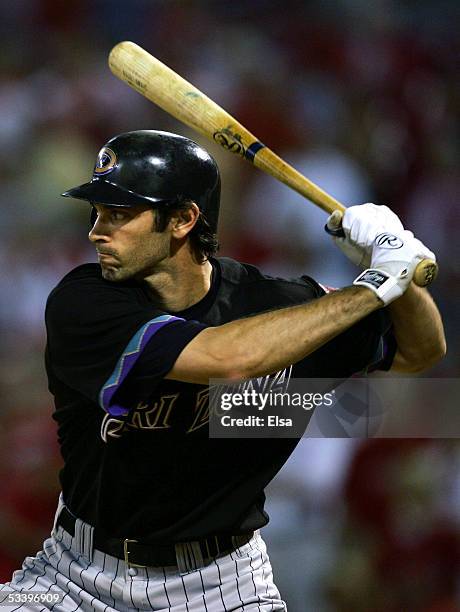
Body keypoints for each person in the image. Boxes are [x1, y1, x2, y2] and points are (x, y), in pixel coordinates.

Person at [0, 130, 445, 611]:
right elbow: (225, 359)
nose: (97, 229)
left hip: (223, 586)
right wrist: (372, 287)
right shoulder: (84, 302)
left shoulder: (279, 306)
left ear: (184, 219)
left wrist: (398, 269)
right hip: (78, 575)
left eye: (120, 213)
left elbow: (421, 352)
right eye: (99, 211)